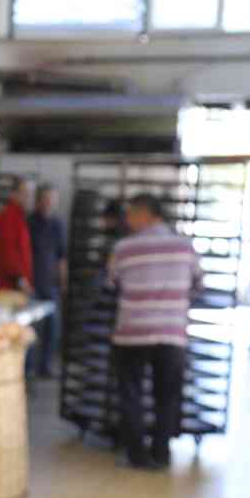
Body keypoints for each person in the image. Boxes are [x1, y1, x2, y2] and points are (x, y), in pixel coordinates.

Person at [106, 193, 202, 470]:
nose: (127, 219)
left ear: (145, 215)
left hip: (131, 332)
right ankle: (161, 453)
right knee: (167, 396)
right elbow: (198, 284)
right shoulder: (185, 247)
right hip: (172, 333)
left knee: (131, 393)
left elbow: (111, 282)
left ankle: (137, 455)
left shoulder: (123, 248)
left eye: (131, 214)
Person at [26, 184, 66, 378]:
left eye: (52, 199)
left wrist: (63, 281)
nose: (49, 203)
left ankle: (45, 366)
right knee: (30, 328)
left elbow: (61, 256)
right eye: (46, 199)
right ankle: (28, 368)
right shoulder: (29, 222)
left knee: (52, 328)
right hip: (31, 282)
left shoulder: (57, 224)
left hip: (51, 284)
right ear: (39, 200)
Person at [0, 177, 33, 293]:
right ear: (14, 194)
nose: (29, 198)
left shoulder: (19, 216)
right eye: (25, 193)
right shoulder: (8, 217)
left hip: (13, 285)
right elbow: (8, 253)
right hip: (7, 286)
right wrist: (21, 280)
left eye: (29, 194)